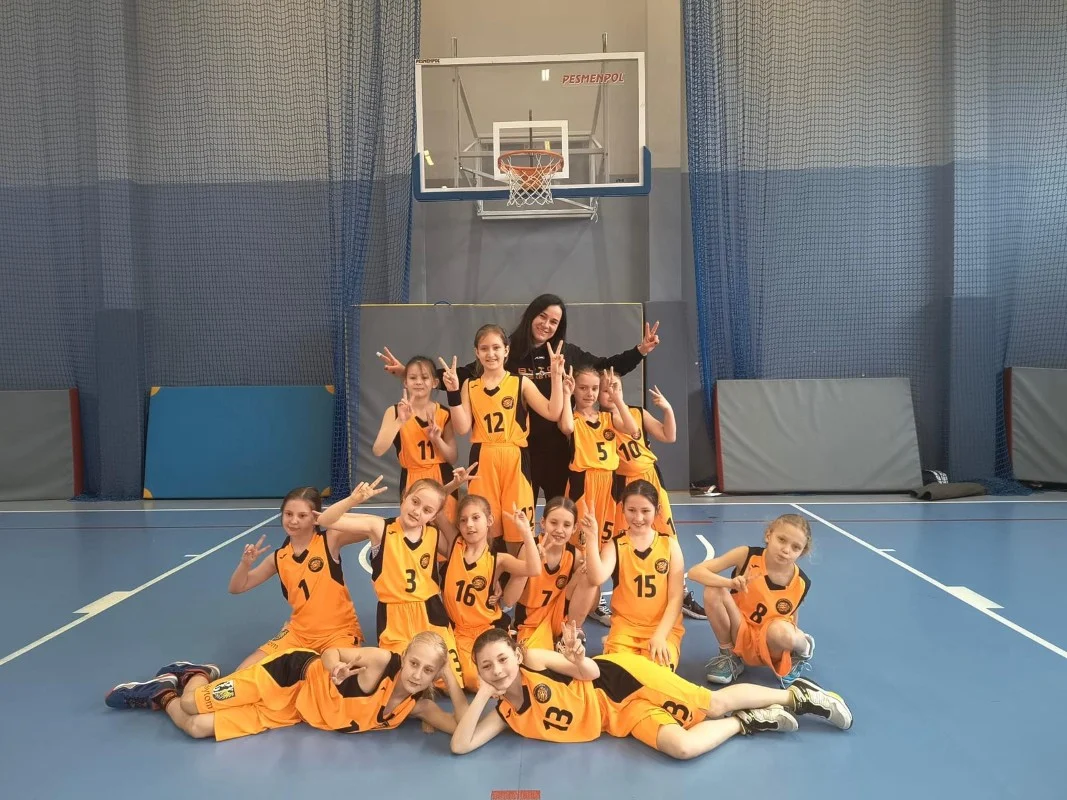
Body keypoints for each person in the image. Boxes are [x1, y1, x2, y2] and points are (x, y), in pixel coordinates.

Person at [377, 294, 660, 504]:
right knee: (516, 514)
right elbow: (459, 375)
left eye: (554, 321)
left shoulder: (566, 353)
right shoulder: (505, 351)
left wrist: (640, 351)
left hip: (560, 447)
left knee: (560, 511)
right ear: (531, 315)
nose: (546, 325)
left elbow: (605, 367)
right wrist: (411, 374)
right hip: (521, 450)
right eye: (542, 317)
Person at [449, 625, 852, 758]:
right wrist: (483, 693)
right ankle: (749, 722)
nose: (497, 670)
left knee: (712, 704)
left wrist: (576, 658)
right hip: (618, 718)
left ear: (516, 655)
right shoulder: (506, 714)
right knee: (683, 748)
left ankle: (797, 696)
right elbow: (460, 745)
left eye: (502, 659)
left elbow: (590, 672)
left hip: (622, 679)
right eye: (486, 666)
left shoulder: (535, 662)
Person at [104, 632, 467, 741]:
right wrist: (336, 667)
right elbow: (331, 652)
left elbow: (460, 729)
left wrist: (450, 678)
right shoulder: (381, 662)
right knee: (191, 706)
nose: (416, 674)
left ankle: (161, 692)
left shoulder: (417, 706)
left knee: (196, 728)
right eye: (414, 663)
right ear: (405, 656)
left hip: (294, 710)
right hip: (287, 675)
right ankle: (193, 672)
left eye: (428, 670)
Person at [312, 477, 465, 687]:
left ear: (434, 516)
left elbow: (459, 552)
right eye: (415, 502)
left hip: (430, 612)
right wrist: (353, 500)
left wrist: (447, 497)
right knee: (400, 683)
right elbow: (325, 520)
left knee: (451, 681)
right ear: (404, 497)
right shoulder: (379, 527)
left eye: (427, 510)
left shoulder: (433, 534)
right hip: (394, 617)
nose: (417, 511)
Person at [229, 482, 386, 670]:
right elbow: (237, 587)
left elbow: (376, 527)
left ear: (315, 518)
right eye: (288, 514)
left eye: (302, 515)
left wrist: (351, 501)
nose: (293, 521)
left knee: (335, 678)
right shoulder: (278, 558)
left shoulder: (330, 540)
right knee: (242, 673)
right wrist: (245, 564)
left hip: (337, 634)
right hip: (298, 634)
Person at [439, 324, 564, 553]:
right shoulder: (470, 385)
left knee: (518, 527)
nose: (491, 353)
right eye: (484, 348)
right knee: (485, 527)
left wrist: (556, 377)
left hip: (514, 457)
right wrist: (453, 392)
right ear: (476, 352)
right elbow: (462, 427)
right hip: (483, 457)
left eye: (496, 347)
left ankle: (517, 574)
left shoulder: (520, 382)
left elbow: (552, 412)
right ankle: (490, 573)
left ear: (506, 350)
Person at [599, 371, 707, 620]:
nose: (612, 393)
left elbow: (669, 436)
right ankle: (613, 598)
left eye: (616, 388)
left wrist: (668, 410)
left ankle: (681, 594)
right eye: (606, 390)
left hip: (650, 480)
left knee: (668, 536)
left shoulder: (638, 412)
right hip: (620, 487)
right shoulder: (599, 420)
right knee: (618, 542)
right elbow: (625, 428)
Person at [687, 514, 816, 687]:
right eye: (782, 540)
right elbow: (695, 572)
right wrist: (730, 583)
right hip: (739, 629)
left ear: (802, 552)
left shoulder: (801, 582)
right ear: (768, 535)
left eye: (795, 547)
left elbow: (792, 618)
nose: (786, 550)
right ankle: (729, 656)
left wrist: (790, 642)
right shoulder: (746, 556)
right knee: (713, 589)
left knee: (785, 633)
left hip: (771, 642)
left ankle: (803, 649)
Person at [435, 494, 542, 690]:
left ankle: (511, 651)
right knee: (458, 679)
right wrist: (452, 486)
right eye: (463, 520)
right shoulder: (454, 545)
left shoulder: (498, 559)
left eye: (476, 518)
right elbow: (438, 509)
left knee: (487, 677)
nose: (469, 524)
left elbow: (533, 569)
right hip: (458, 631)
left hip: (487, 628)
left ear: (489, 520)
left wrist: (526, 532)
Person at [582, 481, 686, 670]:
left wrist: (660, 636)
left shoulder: (670, 546)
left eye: (645, 511)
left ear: (657, 510)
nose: (638, 517)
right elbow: (596, 578)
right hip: (626, 628)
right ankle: (613, 641)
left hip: (661, 628)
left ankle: (613, 643)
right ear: (622, 508)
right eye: (632, 510)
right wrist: (591, 538)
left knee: (657, 676)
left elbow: (676, 598)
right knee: (619, 675)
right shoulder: (615, 545)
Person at [372, 354, 458, 519]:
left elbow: (452, 457)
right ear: (405, 382)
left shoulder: (444, 413)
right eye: (413, 378)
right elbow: (378, 450)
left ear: (435, 382)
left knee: (447, 530)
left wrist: (437, 440)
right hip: (412, 478)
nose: (418, 382)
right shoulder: (394, 411)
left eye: (424, 377)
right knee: (415, 528)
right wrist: (400, 421)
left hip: (442, 476)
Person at [499, 496, 584, 650]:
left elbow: (591, 602)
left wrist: (589, 565)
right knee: (535, 660)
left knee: (586, 573)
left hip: (559, 621)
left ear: (574, 528)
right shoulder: (529, 549)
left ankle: (573, 631)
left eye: (566, 525)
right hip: (530, 623)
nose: (559, 530)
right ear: (543, 523)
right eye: (554, 523)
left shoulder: (574, 555)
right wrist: (530, 567)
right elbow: (509, 600)